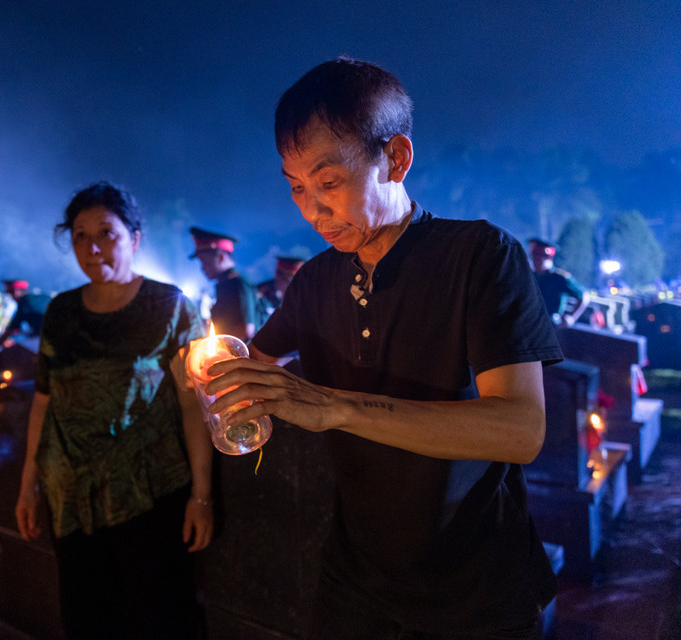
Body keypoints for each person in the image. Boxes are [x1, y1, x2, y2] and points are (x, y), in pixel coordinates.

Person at [204, 58, 563, 639]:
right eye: (296, 187)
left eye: (328, 182)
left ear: (395, 159)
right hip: (356, 579)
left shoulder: (478, 255)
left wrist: (334, 407)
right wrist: (210, 367)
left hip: (474, 587)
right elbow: (252, 361)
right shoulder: (316, 280)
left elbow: (521, 430)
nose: (312, 210)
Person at [15, 181, 213, 640]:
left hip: (148, 493)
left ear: (135, 239)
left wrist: (201, 497)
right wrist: (29, 485)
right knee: (89, 619)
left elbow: (192, 405)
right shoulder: (60, 312)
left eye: (106, 232)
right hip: (73, 501)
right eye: (80, 236)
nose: (92, 247)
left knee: (160, 617)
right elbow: (44, 402)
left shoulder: (169, 307)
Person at [189, 226, 260, 340]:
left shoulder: (237, 284)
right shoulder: (225, 284)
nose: (202, 268)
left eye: (205, 262)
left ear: (221, 257)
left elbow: (246, 330)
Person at [528, 238, 589, 327]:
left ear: (548, 257)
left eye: (538, 255)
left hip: (551, 325)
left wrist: (571, 318)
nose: (534, 259)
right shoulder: (531, 276)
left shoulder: (559, 278)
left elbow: (583, 295)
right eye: (533, 255)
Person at [0, 279, 50, 348]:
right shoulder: (44, 297)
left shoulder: (23, 303)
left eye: (10, 294)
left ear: (16, 291)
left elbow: (11, 330)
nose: (12, 298)